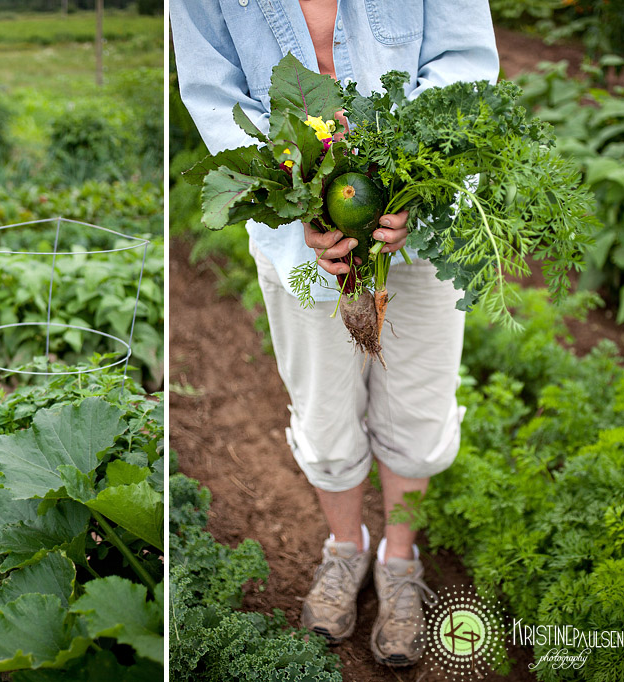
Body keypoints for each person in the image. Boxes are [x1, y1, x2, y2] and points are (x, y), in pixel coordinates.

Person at [171, 0, 498, 668]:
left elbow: (464, 65)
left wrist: (406, 183)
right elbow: (213, 93)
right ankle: (344, 551)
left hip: (425, 227)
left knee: (418, 405)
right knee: (321, 410)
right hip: (297, 246)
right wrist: (302, 199)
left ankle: (398, 562)